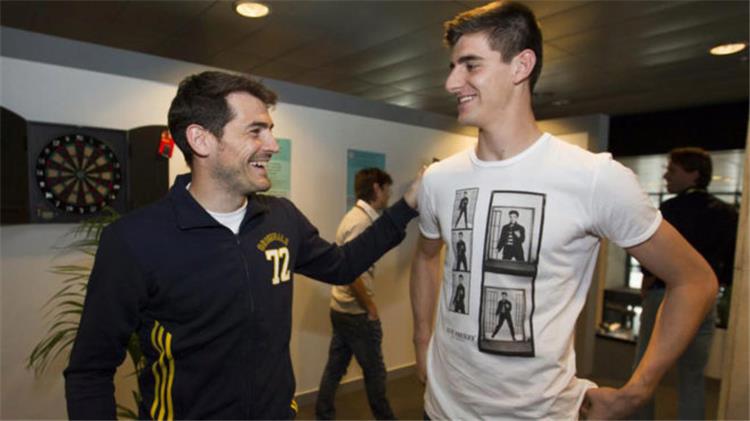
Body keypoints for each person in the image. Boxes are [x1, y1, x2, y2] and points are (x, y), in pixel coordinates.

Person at [409, 2, 717, 419]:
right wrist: (422, 339)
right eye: (452, 67)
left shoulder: (594, 178)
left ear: (521, 66)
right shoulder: (439, 179)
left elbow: (695, 281)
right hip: (440, 410)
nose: (451, 83)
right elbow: (426, 256)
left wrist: (636, 392)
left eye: (471, 65)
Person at [64, 71, 421, 419]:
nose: (272, 145)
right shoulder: (134, 239)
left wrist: (406, 206)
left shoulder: (282, 218)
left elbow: (342, 266)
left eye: (270, 130)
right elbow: (90, 372)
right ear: (201, 140)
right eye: (255, 131)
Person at [633, 147, 738, 420]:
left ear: (693, 174)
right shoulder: (728, 213)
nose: (666, 176)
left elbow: (653, 254)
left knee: (644, 372)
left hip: (665, 295)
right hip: (706, 300)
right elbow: (730, 264)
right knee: (693, 376)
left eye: (672, 170)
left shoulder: (671, 209)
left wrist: (648, 278)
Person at [315, 168, 396, 420]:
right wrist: (369, 306)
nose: (389, 195)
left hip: (341, 309)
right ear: (376, 189)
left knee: (335, 367)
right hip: (356, 313)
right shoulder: (361, 222)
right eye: (387, 189)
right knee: (375, 373)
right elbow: (351, 273)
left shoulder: (355, 216)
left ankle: (323, 414)